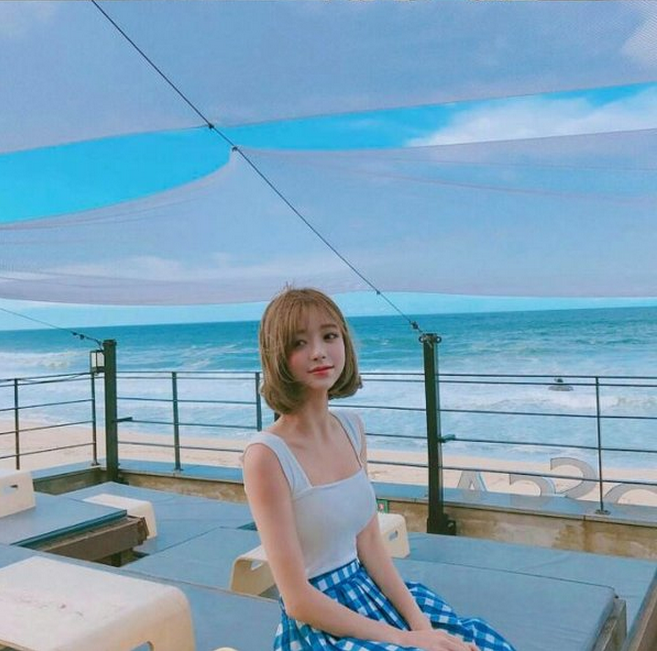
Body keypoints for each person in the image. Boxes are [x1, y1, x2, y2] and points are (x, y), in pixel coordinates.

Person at [242, 287, 516, 651]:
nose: (319, 351)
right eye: (299, 343)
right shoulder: (267, 456)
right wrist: (406, 638)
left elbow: (369, 542)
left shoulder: (351, 429)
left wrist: (420, 624)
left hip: (369, 592)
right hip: (321, 623)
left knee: (475, 642)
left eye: (329, 336)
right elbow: (297, 600)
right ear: (278, 356)